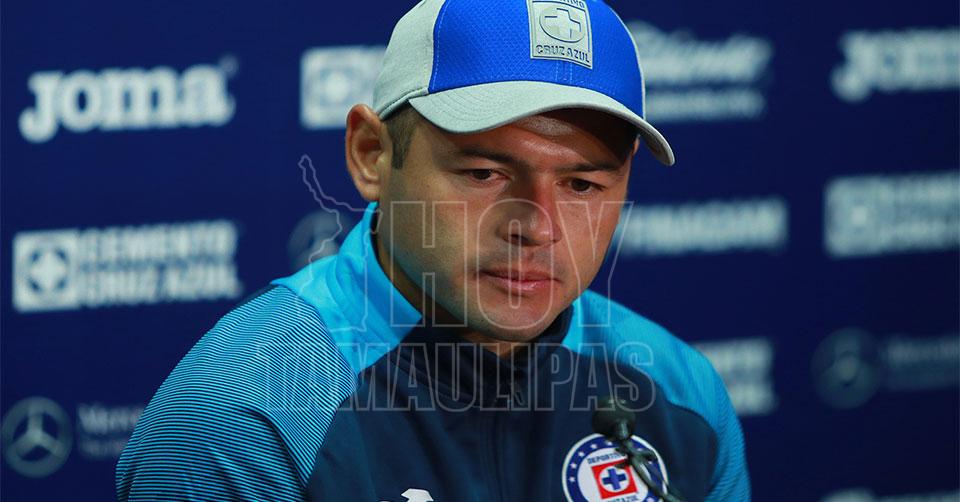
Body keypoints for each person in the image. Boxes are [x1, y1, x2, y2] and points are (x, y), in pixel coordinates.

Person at [116, 0, 750, 500]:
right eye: (484, 173)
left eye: (582, 185)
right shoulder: (242, 417)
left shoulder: (681, 395)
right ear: (372, 155)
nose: (537, 227)